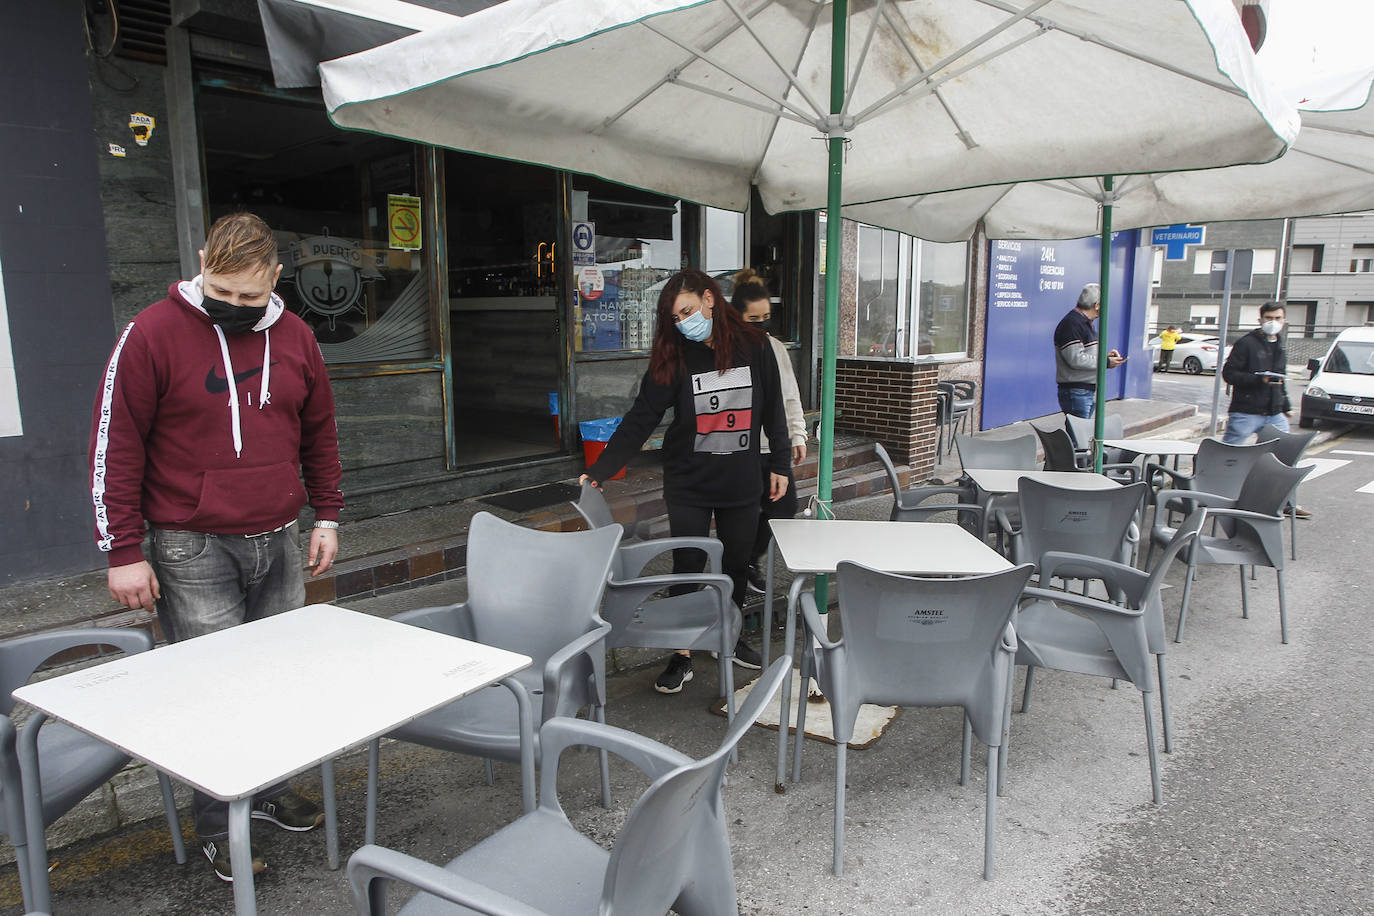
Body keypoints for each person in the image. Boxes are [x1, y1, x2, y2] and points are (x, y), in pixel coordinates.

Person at [88, 212, 344, 882]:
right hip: (190, 545)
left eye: (248, 297)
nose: (232, 306)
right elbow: (115, 446)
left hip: (280, 536)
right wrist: (122, 549)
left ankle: (267, 788)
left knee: (278, 677)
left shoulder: (298, 338)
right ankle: (214, 819)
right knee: (211, 689)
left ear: (275, 280)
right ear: (202, 263)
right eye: (220, 292)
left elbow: (320, 430)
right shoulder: (150, 334)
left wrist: (329, 516)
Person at [580, 268, 789, 694]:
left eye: (689, 311)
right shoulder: (675, 355)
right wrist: (602, 469)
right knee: (689, 564)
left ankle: (727, 637)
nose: (684, 322)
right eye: (675, 317)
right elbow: (641, 418)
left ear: (711, 299)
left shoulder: (756, 346)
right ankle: (682, 653)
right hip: (689, 480)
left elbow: (774, 411)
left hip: (741, 478)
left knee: (735, 562)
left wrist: (781, 464)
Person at [728, 269, 808, 594]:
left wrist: (798, 434)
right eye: (753, 317)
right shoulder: (723, 348)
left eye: (766, 317)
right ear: (737, 315)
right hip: (737, 450)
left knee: (784, 507)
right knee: (741, 516)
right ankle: (737, 571)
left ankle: (748, 560)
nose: (761, 324)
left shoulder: (776, 347)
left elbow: (790, 394)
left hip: (772, 448)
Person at [1054, 282, 1126, 418]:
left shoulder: (1083, 323)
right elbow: (1075, 359)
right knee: (1079, 435)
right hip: (1077, 390)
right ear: (1097, 305)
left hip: (1083, 390)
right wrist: (1105, 362)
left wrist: (1105, 357)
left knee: (1081, 433)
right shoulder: (1072, 324)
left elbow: (1083, 354)